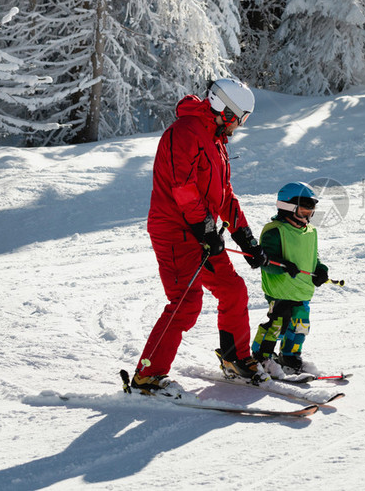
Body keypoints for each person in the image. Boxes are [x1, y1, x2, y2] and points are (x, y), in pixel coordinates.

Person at [132, 77, 270, 395]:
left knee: (233, 290)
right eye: (241, 118)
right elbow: (183, 188)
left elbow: (224, 195)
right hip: (176, 231)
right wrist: (206, 229)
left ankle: (235, 358)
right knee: (186, 302)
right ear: (226, 111)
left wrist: (245, 237)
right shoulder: (184, 134)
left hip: (199, 230)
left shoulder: (215, 140)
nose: (240, 126)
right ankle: (147, 376)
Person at [251, 182, 331, 376]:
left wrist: (320, 270)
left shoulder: (310, 232)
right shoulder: (275, 230)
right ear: (288, 207)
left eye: (311, 210)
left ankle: (289, 357)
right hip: (280, 290)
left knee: (300, 327)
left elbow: (313, 257)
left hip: (302, 290)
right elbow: (265, 261)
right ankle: (261, 357)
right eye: (304, 209)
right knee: (277, 324)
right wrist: (282, 264)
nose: (308, 215)